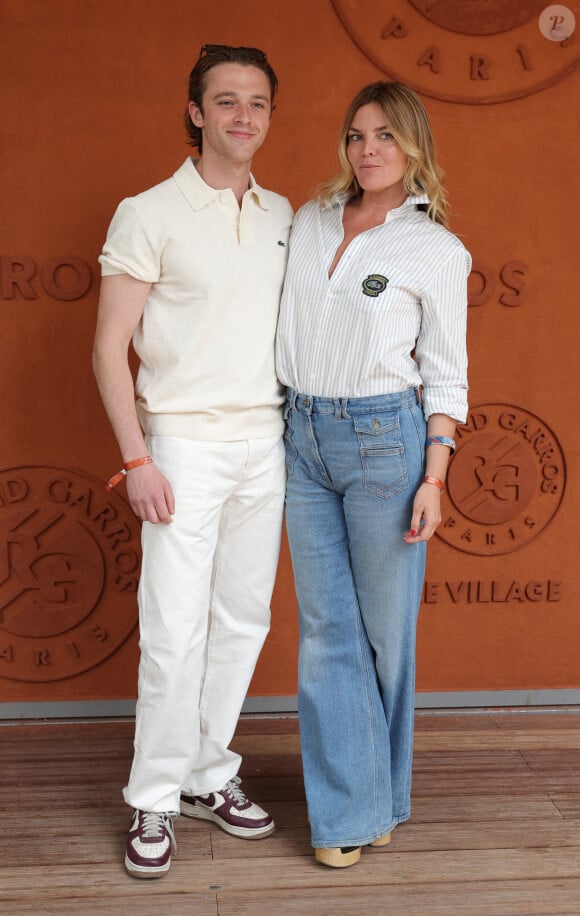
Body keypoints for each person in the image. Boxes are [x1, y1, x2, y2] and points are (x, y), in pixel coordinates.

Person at [92, 44, 292, 878]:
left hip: (266, 443)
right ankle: (152, 796)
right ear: (196, 113)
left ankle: (210, 772)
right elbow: (108, 351)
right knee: (175, 628)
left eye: (257, 102)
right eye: (226, 101)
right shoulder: (148, 212)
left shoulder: (286, 213)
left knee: (245, 619)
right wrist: (136, 458)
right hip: (180, 445)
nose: (243, 116)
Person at [276, 81, 470, 868]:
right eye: (356, 135)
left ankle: (379, 796)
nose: (368, 149)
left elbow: (448, 375)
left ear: (414, 144)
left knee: (386, 638)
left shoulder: (436, 251)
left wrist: (436, 476)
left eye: (385, 135)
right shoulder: (308, 219)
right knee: (326, 633)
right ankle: (354, 811)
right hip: (301, 437)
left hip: (386, 441)